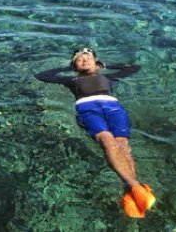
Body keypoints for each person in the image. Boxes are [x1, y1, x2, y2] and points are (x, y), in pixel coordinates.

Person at [35, 47, 156, 218]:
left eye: (88, 58)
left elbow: (133, 68)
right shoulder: (72, 80)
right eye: (79, 59)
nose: (84, 60)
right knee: (107, 139)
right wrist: (69, 68)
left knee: (122, 143)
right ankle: (134, 185)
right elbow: (42, 76)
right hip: (88, 108)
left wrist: (105, 65)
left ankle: (131, 192)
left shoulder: (108, 77)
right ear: (75, 66)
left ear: (97, 63)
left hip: (114, 108)